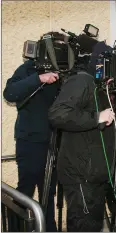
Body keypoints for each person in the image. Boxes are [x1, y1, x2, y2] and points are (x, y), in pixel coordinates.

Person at [48, 41, 116, 232]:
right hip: (81, 174)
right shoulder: (82, 81)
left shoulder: (104, 87)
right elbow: (57, 114)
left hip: (97, 172)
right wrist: (96, 117)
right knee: (85, 225)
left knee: (94, 223)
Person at [3, 53, 60, 231]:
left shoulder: (64, 71)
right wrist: (39, 78)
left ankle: (49, 228)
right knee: (25, 191)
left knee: (49, 193)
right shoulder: (29, 68)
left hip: (53, 142)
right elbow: (10, 93)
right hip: (29, 141)